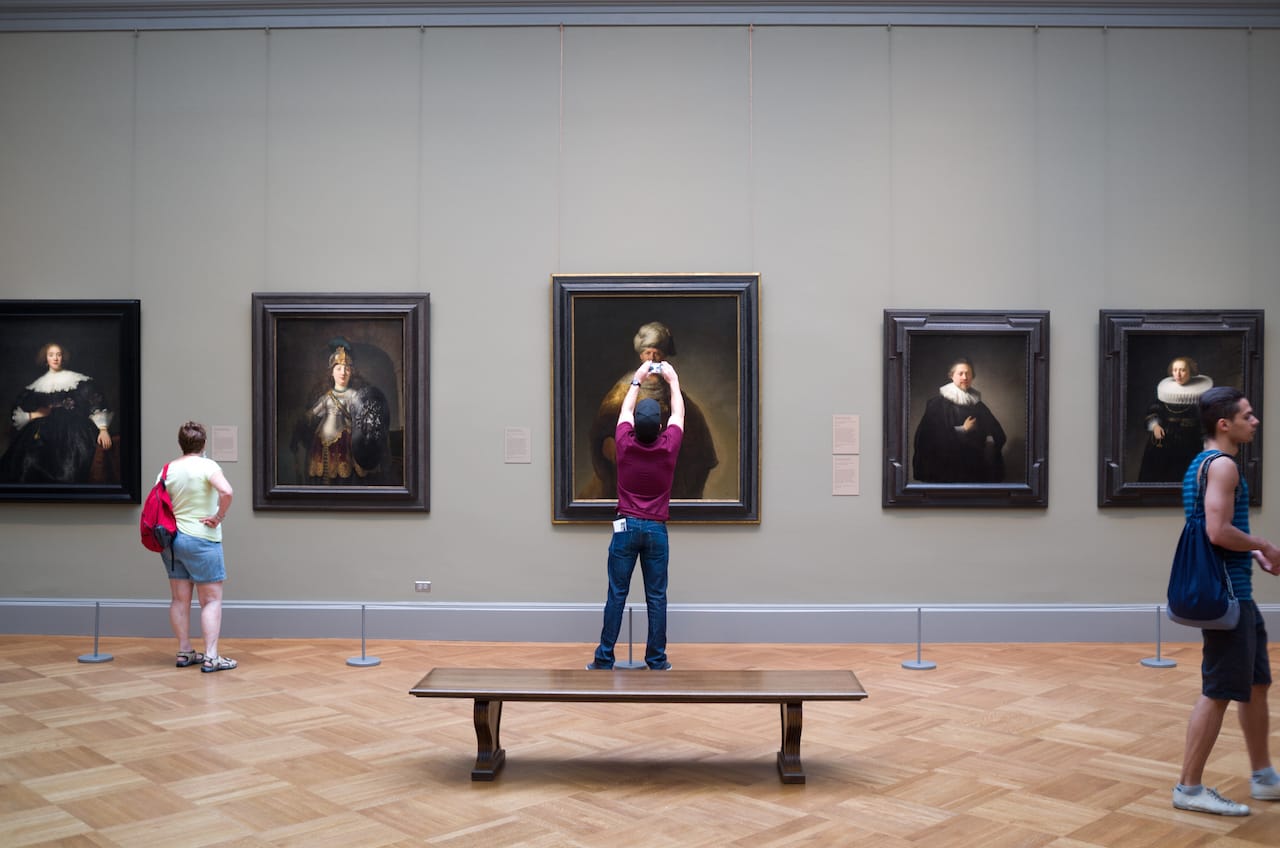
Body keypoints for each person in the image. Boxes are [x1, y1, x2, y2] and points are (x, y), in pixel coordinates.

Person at [1172, 386, 1280, 816]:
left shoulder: (1204, 464)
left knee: (1256, 686)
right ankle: (1189, 787)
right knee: (1217, 691)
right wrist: (1265, 544)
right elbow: (1218, 533)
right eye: (1247, 416)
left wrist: (1248, 548)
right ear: (1225, 424)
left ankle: (1264, 776)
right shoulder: (1223, 468)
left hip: (1239, 596)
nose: (1254, 422)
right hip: (1228, 599)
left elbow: (1212, 528)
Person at [587, 359, 684, 671]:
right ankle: (656, 660)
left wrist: (638, 378)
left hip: (625, 526)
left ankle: (604, 658)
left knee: (616, 594)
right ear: (659, 427)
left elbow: (625, 411)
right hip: (656, 529)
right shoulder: (669, 446)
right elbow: (679, 414)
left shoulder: (624, 444)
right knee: (656, 598)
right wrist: (673, 380)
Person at [578, 321, 717, 500]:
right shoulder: (622, 388)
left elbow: (695, 430)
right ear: (641, 356)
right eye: (648, 353)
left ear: (664, 357)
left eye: (657, 353)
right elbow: (603, 427)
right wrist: (607, 443)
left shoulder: (668, 393)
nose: (652, 358)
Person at [158, 421, 237, 672]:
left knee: (179, 600)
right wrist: (217, 517)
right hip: (202, 539)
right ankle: (212, 656)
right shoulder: (207, 466)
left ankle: (184, 651)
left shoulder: (167, 469)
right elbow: (226, 491)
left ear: (181, 444)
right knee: (211, 600)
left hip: (172, 541)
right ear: (203, 444)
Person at [0, 342, 114, 484]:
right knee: (28, 460)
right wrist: (35, 415)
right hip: (42, 431)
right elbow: (17, 411)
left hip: (73, 430)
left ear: (63, 357)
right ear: (45, 359)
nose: (55, 358)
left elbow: (94, 400)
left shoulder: (77, 380)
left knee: (71, 465)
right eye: (51, 355)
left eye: (58, 355)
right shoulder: (36, 386)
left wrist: (103, 429)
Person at [291, 339, 391, 484]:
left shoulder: (355, 395)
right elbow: (312, 414)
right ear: (331, 373)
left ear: (352, 372)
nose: (343, 372)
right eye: (338, 368)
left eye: (347, 368)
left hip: (346, 444)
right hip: (321, 443)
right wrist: (301, 421)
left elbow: (364, 418)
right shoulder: (326, 397)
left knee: (344, 479)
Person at [912, 357, 1006, 483]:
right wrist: (962, 429)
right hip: (948, 466)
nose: (965, 377)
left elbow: (997, 432)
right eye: (960, 373)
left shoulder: (978, 404)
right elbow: (928, 437)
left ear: (973, 376)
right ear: (952, 376)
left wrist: (990, 441)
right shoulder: (937, 404)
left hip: (974, 465)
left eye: (968, 373)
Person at [1138, 356, 1213, 483]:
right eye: (1175, 370)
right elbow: (1153, 411)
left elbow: (1206, 418)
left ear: (1191, 372)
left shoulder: (1201, 395)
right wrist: (1155, 426)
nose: (1178, 374)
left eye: (1182, 370)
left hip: (1191, 439)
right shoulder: (1165, 391)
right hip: (1165, 437)